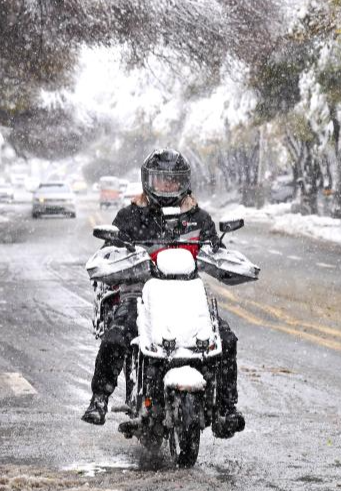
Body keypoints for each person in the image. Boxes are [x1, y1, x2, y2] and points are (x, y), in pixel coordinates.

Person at [81, 149, 246, 438]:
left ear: (184, 183)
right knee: (118, 333)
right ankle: (99, 399)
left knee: (226, 339)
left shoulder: (198, 218)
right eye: (161, 181)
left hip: (187, 294)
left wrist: (223, 258)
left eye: (173, 181)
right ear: (148, 182)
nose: (167, 187)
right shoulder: (131, 216)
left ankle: (226, 408)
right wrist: (116, 258)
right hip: (141, 293)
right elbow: (109, 251)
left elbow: (214, 249)